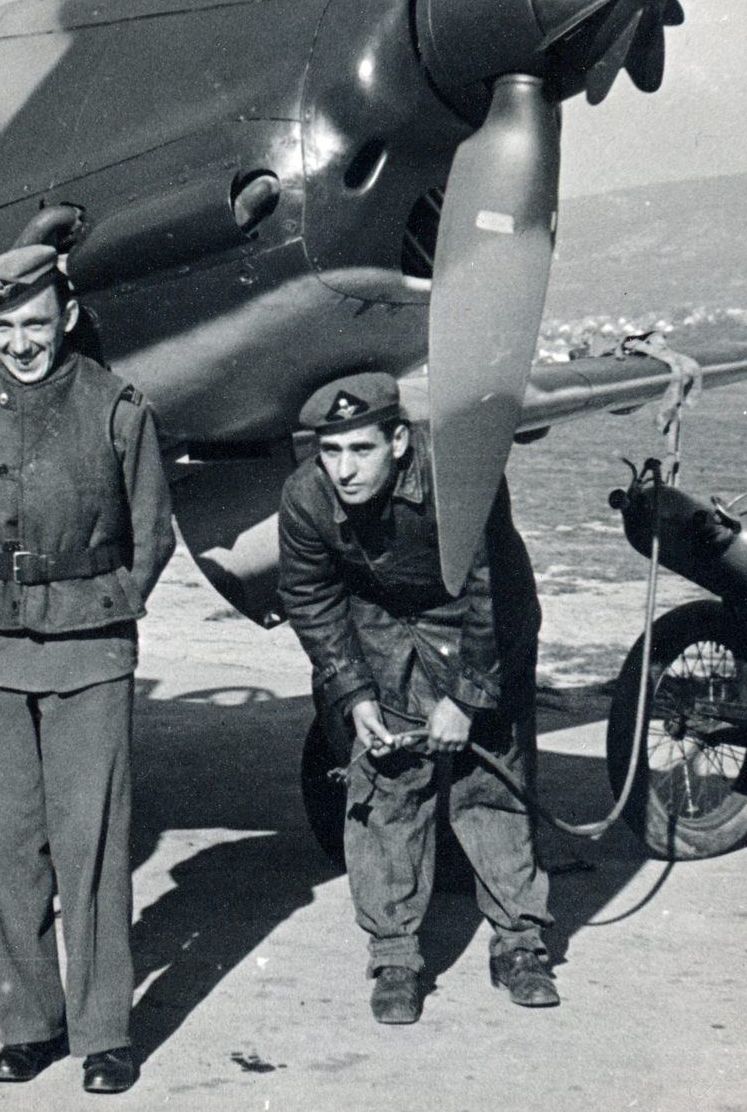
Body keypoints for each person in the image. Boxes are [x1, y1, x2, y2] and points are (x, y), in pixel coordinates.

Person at [0, 244, 174, 1096]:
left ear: (66, 316)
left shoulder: (117, 406)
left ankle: (103, 1030)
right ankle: (29, 1024)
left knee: (93, 840)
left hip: (90, 644)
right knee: (4, 843)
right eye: (4, 326)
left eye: (36, 323)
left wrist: (99, 602)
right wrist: (8, 595)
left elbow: (152, 533)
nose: (22, 342)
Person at [276, 371, 557, 1025]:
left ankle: (519, 943)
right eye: (331, 450)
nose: (344, 470)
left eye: (361, 449)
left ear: (398, 440)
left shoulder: (460, 472)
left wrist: (466, 698)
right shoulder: (306, 497)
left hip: (484, 622)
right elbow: (312, 601)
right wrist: (352, 693)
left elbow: (496, 593)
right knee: (390, 784)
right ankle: (395, 954)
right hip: (381, 622)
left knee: (492, 780)